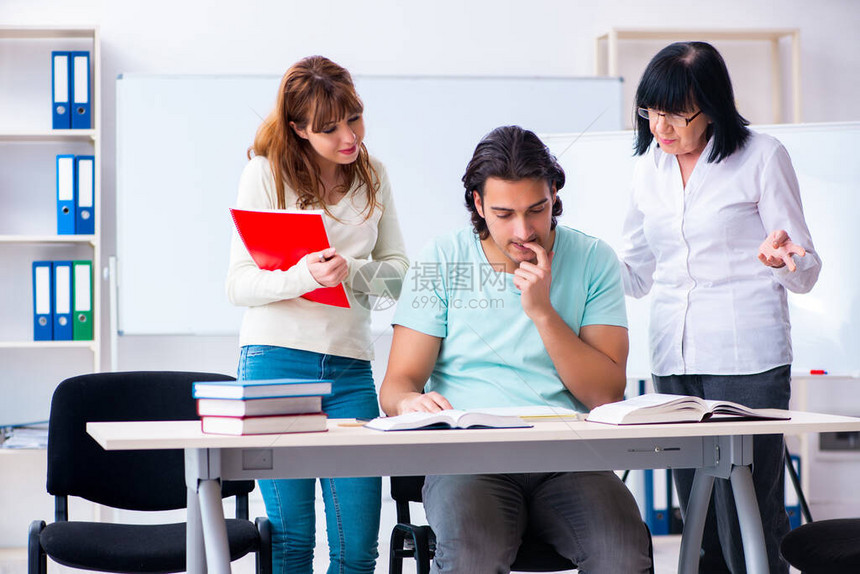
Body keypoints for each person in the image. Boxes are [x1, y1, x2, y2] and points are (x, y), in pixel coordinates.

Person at [380, 125, 652, 573]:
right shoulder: (442, 259)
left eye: (537, 210)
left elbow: (605, 395)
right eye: (504, 214)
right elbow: (397, 384)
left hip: (570, 458)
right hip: (470, 459)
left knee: (621, 551)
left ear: (555, 194)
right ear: (478, 203)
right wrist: (410, 401)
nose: (524, 230)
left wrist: (543, 312)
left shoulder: (592, 259)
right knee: (472, 554)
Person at [619, 42, 821, 573]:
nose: (661, 126)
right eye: (651, 111)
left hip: (747, 360)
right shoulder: (647, 170)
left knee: (751, 517)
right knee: (700, 516)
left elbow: (807, 268)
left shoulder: (761, 156)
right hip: (673, 360)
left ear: (711, 105)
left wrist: (781, 262)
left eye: (675, 113)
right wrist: (569, 258)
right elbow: (635, 275)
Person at [226, 55, 408, 574]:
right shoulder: (264, 175)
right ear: (298, 128)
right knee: (291, 544)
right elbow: (239, 284)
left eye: (354, 118)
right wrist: (306, 276)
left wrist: (350, 269)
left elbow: (399, 274)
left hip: (350, 369)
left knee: (357, 550)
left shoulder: (373, 174)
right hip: (274, 366)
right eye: (329, 128)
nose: (349, 136)